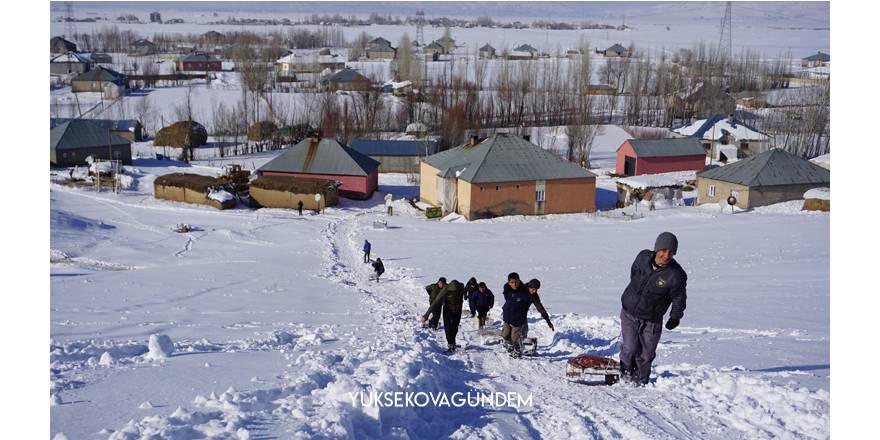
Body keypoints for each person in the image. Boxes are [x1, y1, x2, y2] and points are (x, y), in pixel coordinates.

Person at [619, 232, 688, 386]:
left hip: (652, 319)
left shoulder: (676, 275)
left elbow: (679, 298)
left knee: (646, 353)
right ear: (657, 249)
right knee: (629, 348)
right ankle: (624, 376)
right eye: (663, 250)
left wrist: (675, 316)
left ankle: (641, 381)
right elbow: (634, 274)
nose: (666, 255)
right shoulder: (642, 257)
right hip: (629, 312)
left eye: (671, 252)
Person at [501, 273, 554, 358]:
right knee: (505, 335)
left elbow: (539, 307)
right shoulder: (518, 288)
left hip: (520, 317)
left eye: (536, 289)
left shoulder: (533, 296)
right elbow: (508, 290)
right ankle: (509, 343)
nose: (534, 291)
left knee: (517, 336)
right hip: (509, 315)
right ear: (529, 286)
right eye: (533, 289)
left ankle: (516, 348)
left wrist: (547, 319)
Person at [421, 279, 465, 353]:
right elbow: (435, 301)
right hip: (447, 310)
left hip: (457, 310)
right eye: (452, 292)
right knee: (448, 328)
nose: (454, 293)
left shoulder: (461, 287)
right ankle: (451, 344)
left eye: (455, 291)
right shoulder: (446, 289)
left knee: (454, 328)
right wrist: (426, 315)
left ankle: (452, 343)